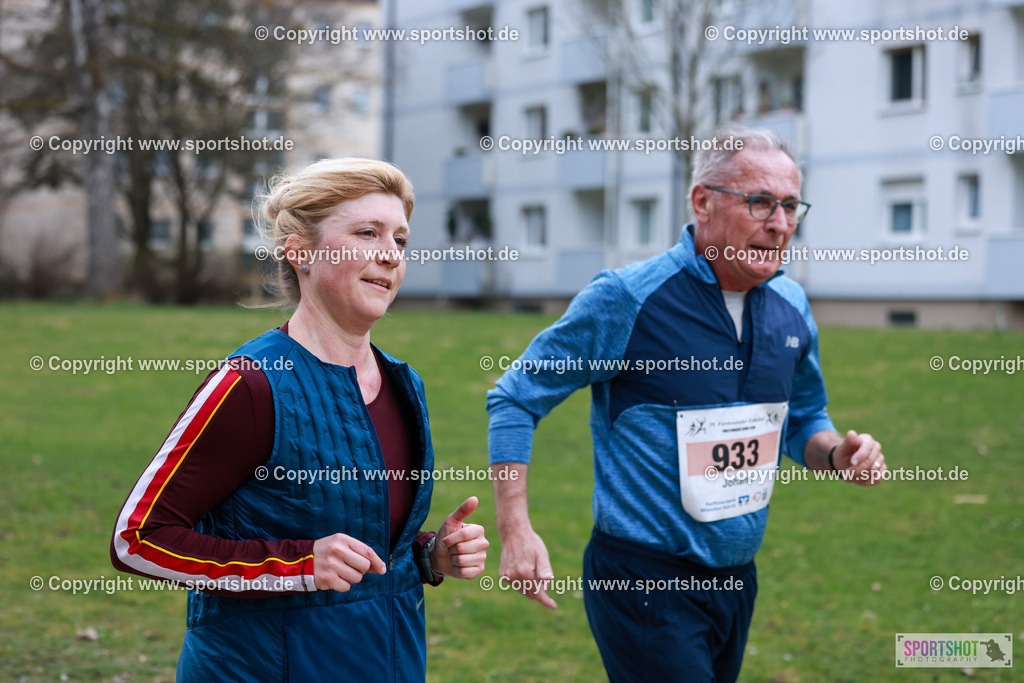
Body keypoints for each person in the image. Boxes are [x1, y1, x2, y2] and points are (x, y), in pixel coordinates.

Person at [486, 128, 886, 682]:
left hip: (736, 580)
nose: (779, 223)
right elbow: (515, 396)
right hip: (644, 580)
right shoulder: (628, 298)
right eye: (760, 202)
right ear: (703, 202)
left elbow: (801, 418)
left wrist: (838, 454)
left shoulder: (792, 304)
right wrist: (515, 529)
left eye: (791, 206)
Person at [111, 158, 488, 681]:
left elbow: (364, 538)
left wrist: (428, 554)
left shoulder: (404, 383)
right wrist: (298, 566)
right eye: (367, 233)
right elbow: (138, 539)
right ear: (301, 252)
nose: (390, 254)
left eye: (400, 239)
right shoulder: (251, 384)